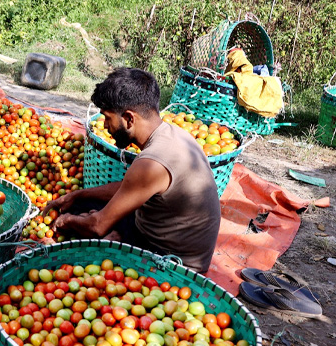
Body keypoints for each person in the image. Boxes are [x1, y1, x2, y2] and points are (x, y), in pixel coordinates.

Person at [43, 68, 220, 273]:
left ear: (128, 118)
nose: (106, 126)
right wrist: (79, 193)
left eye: (108, 118)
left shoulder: (152, 162)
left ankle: (119, 239)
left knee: (77, 216)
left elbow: (97, 225)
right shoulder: (175, 135)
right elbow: (132, 187)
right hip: (164, 235)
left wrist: (68, 221)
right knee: (83, 203)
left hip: (171, 262)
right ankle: (117, 233)